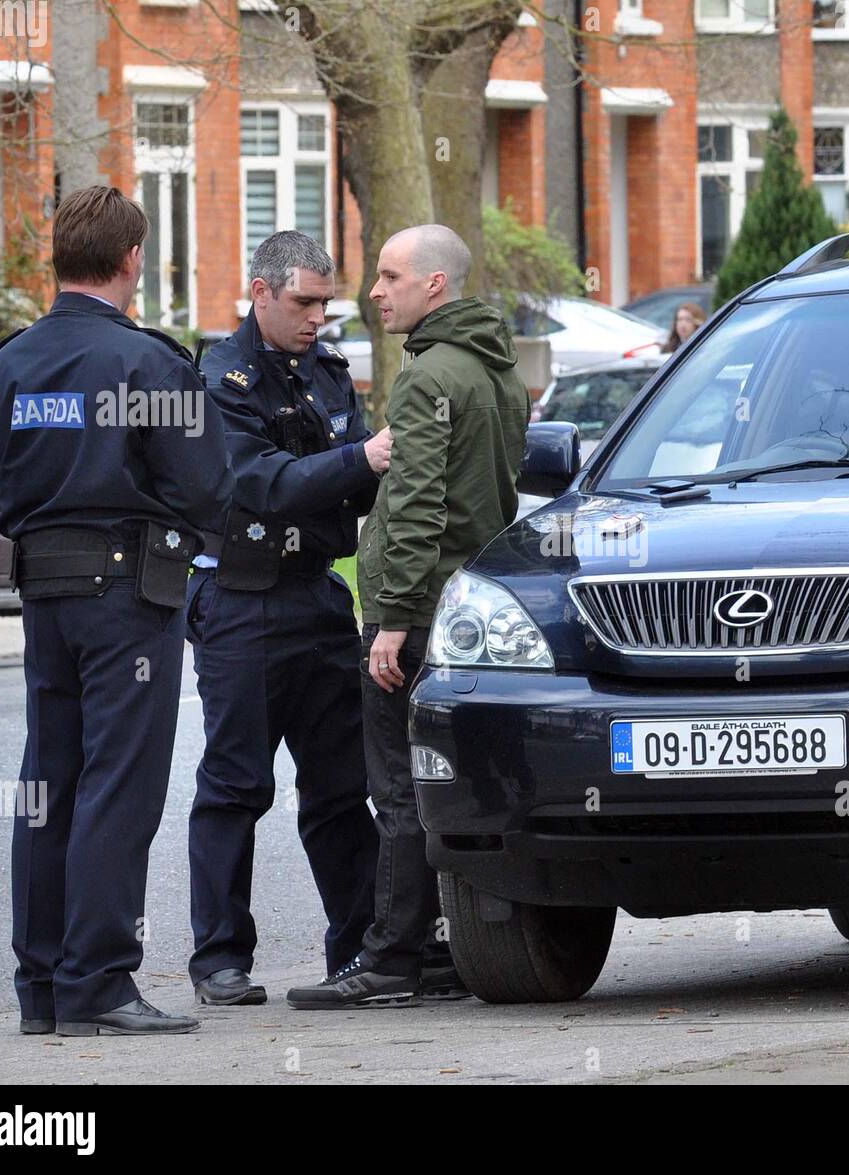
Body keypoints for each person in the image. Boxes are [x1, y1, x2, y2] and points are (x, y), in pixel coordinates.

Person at [0, 185, 233, 1036]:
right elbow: (209, 489)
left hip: (44, 593)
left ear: (59, 258)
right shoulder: (150, 364)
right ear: (132, 261)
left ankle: (43, 989)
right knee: (118, 788)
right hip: (128, 601)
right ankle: (99, 982)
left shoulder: (7, 363)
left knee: (49, 784)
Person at [286, 224, 529, 1009]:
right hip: (469, 614)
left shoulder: (426, 381)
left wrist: (390, 617)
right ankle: (447, 952)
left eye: (390, 276)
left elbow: (419, 503)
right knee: (452, 789)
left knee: (397, 791)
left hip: (414, 616)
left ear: (435, 286)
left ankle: (392, 960)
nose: (374, 291)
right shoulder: (497, 372)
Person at [186, 231, 390, 1006]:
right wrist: (356, 462)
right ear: (260, 292)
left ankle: (360, 946)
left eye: (326, 305)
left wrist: (362, 469)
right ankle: (219, 958)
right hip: (244, 600)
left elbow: (357, 484)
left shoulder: (328, 373)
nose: (317, 319)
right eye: (304, 302)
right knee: (236, 784)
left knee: (341, 786)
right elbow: (257, 482)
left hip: (315, 591)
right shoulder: (220, 377)